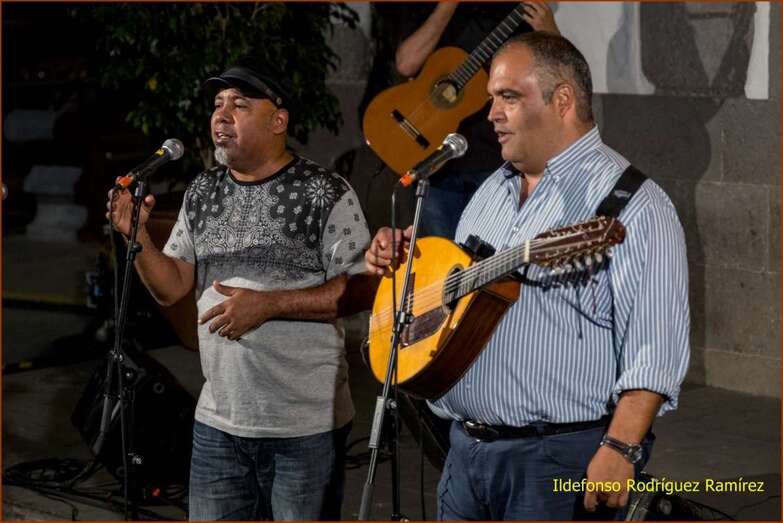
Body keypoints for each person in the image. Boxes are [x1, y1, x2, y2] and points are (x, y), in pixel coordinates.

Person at [365, 32, 690, 520]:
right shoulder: (491, 190)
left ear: (562, 100)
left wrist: (620, 449)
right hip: (463, 452)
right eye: (492, 98)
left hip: (555, 459)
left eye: (509, 97)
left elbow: (655, 348)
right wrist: (411, 264)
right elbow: (458, 299)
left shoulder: (635, 205)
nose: (491, 114)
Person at [107, 58, 370, 521]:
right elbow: (171, 288)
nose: (221, 116)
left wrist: (269, 305)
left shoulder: (325, 191)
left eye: (240, 105)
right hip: (219, 424)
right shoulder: (202, 191)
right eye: (217, 104)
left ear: (278, 120)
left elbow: (360, 290)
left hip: (304, 428)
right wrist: (138, 236)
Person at [393, 1, 560, 238]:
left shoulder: (520, 12)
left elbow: (562, 82)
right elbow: (406, 63)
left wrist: (549, 32)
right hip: (437, 163)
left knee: (493, 252)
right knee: (441, 256)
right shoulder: (432, 6)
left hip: (498, 167)